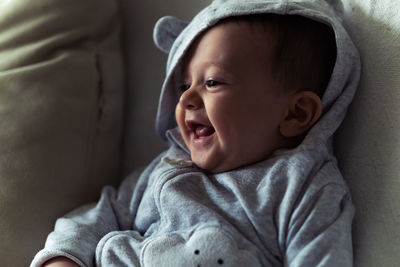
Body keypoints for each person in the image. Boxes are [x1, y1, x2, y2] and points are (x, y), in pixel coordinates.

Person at [31, 0, 360, 266]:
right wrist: (64, 256)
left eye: (213, 82)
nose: (186, 98)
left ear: (295, 113)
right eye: (184, 84)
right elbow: (99, 215)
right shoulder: (168, 166)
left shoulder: (304, 187)